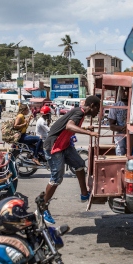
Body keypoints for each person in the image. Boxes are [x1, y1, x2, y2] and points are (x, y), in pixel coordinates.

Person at [42, 95, 101, 224]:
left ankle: (84, 193)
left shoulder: (79, 112)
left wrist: (85, 128)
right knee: (57, 178)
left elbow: (66, 126)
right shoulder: (79, 112)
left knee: (80, 165)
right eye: (98, 109)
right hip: (54, 146)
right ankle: (43, 207)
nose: (98, 112)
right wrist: (89, 133)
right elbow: (69, 126)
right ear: (92, 106)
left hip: (64, 145)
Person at [109, 87, 128, 155]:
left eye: (126, 90)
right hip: (121, 133)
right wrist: (122, 128)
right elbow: (111, 126)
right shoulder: (116, 106)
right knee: (120, 146)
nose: (124, 93)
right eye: (122, 90)